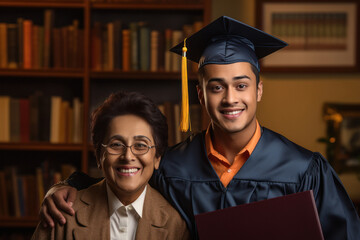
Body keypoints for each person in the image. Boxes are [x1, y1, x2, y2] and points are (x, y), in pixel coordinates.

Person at [39, 16, 360, 239]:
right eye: (217, 87)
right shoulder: (172, 166)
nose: (230, 98)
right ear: (200, 94)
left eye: (241, 85)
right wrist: (66, 186)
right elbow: (119, 183)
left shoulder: (303, 170)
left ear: (259, 90)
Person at [32, 91, 190, 240]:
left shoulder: (176, 225)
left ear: (157, 158)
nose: (128, 156)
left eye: (141, 145)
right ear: (100, 155)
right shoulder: (62, 214)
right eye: (116, 144)